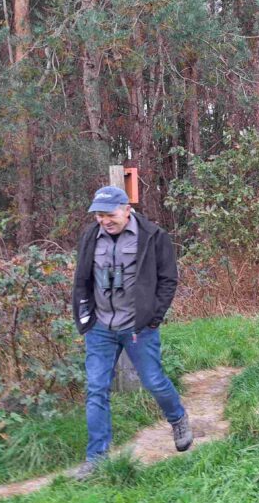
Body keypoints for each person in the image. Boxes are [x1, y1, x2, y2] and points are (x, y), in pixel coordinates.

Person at [71, 186, 192, 480]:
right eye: (99, 215)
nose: (104, 220)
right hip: (100, 328)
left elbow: (168, 280)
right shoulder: (91, 236)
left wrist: (154, 317)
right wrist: (85, 317)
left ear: (127, 209)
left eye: (109, 214)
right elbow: (82, 277)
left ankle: (178, 418)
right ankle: (96, 459)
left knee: (153, 381)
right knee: (97, 388)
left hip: (138, 327)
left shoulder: (153, 236)